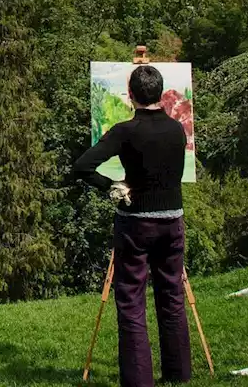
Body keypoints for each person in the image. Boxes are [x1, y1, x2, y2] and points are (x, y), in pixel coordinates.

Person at [72, 65, 192, 387]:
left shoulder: (126, 131)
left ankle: (139, 381)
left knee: (131, 301)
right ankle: (178, 374)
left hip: (136, 223)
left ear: (131, 94)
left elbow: (82, 166)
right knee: (172, 296)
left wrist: (113, 185)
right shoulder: (178, 129)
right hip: (173, 221)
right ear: (161, 92)